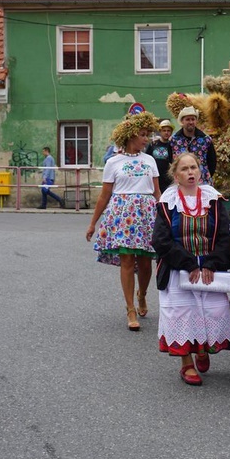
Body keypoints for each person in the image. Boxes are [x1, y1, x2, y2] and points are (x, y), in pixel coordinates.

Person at [152, 153, 230, 386]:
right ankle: (186, 363)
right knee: (182, 315)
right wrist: (188, 263)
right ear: (176, 176)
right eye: (185, 169)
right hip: (179, 269)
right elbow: (160, 240)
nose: (190, 172)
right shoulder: (167, 202)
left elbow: (226, 236)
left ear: (200, 172)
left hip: (209, 268)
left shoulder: (213, 200)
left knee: (210, 311)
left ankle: (202, 348)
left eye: (194, 168)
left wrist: (210, 263)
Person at [86, 112, 161, 331]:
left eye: (147, 135)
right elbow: (105, 195)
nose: (146, 139)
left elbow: (157, 192)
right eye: (142, 135)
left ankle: (142, 294)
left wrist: (168, 214)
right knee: (127, 261)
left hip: (147, 214)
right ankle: (130, 309)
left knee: (146, 262)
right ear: (130, 136)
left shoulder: (150, 160)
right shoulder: (113, 162)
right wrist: (93, 223)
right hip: (123, 216)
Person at [169, 106, 216, 185]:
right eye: (187, 119)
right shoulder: (174, 140)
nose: (191, 122)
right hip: (181, 183)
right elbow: (171, 161)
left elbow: (212, 162)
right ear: (182, 121)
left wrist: (204, 175)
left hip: (203, 183)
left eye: (193, 119)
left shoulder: (206, 139)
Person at [146, 119, 175, 193]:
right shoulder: (153, 144)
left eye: (168, 131)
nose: (166, 133)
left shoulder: (173, 145)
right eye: (164, 130)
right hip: (155, 178)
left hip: (168, 179)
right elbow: (147, 159)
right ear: (160, 131)